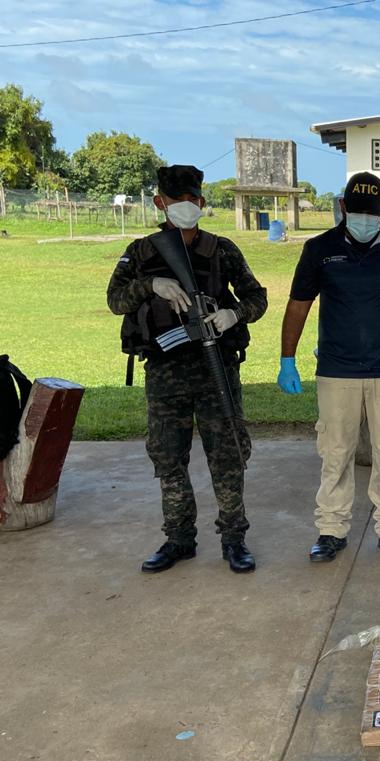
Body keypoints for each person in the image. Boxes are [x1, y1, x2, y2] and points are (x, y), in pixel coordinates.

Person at [107, 164, 267, 573]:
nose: (185, 206)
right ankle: (179, 539)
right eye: (175, 200)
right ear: (160, 202)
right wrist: (151, 285)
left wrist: (233, 314)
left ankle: (234, 539)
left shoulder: (222, 249)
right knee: (168, 458)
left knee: (227, 456)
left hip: (217, 370)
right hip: (166, 373)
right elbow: (115, 300)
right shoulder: (142, 252)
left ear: (201, 201)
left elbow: (257, 298)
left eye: (191, 199)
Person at [278, 172, 380, 563]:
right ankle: (331, 529)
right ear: (343, 207)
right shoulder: (319, 248)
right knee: (335, 454)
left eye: (373, 212)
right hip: (337, 371)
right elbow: (299, 305)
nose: (365, 219)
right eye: (358, 211)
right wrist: (287, 359)